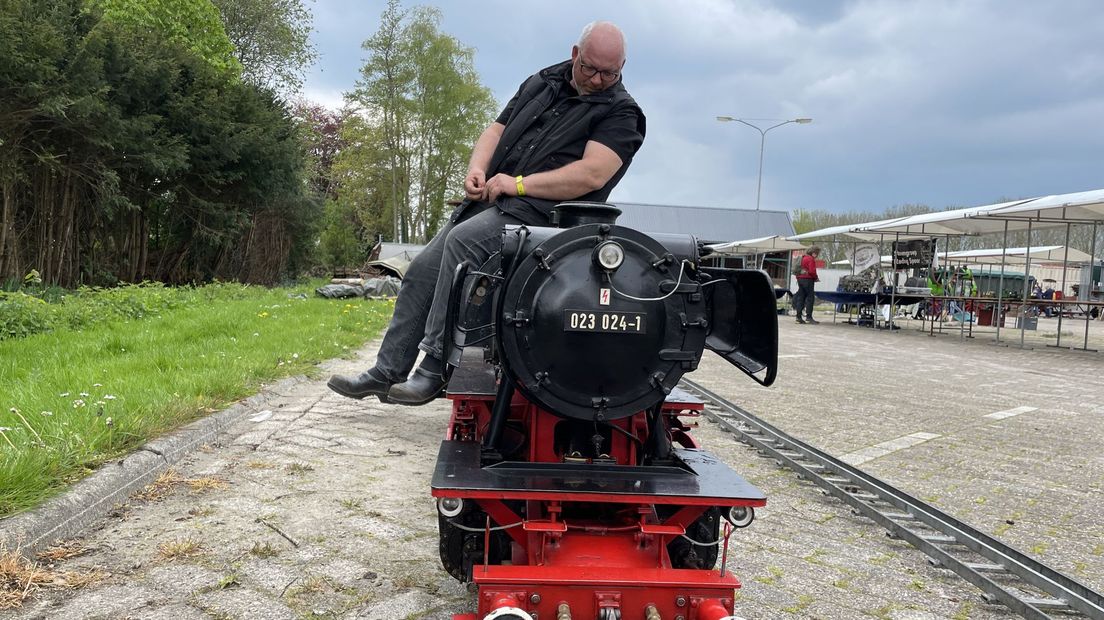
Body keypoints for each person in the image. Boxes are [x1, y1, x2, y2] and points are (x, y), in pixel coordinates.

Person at [327, 21, 646, 406]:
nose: (598, 79)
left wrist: (519, 184)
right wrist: (477, 169)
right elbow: (496, 130)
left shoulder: (623, 113)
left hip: (546, 219)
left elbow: (591, 173)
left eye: (610, 72)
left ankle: (434, 368)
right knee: (422, 270)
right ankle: (387, 371)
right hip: (495, 203)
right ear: (575, 54)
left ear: (622, 65)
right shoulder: (542, 81)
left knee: (462, 242)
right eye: (591, 68)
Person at [792, 246, 821, 324]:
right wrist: (816, 278)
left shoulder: (803, 257)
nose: (817, 255)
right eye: (817, 253)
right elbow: (812, 271)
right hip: (808, 280)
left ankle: (798, 317)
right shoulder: (810, 259)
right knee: (810, 298)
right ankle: (809, 317)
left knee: (801, 297)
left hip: (799, 279)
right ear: (814, 253)